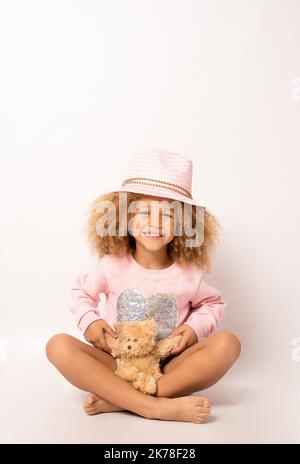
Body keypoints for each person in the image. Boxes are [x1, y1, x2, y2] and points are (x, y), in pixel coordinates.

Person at [45, 148, 241, 424]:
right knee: (58, 346)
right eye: (144, 212)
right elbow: (81, 292)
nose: (154, 223)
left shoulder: (189, 273)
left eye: (167, 215)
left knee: (227, 345)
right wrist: (89, 321)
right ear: (124, 217)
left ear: (184, 223)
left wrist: (194, 329)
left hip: (170, 368)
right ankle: (152, 406)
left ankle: (120, 400)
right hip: (116, 361)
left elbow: (213, 304)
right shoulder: (111, 264)